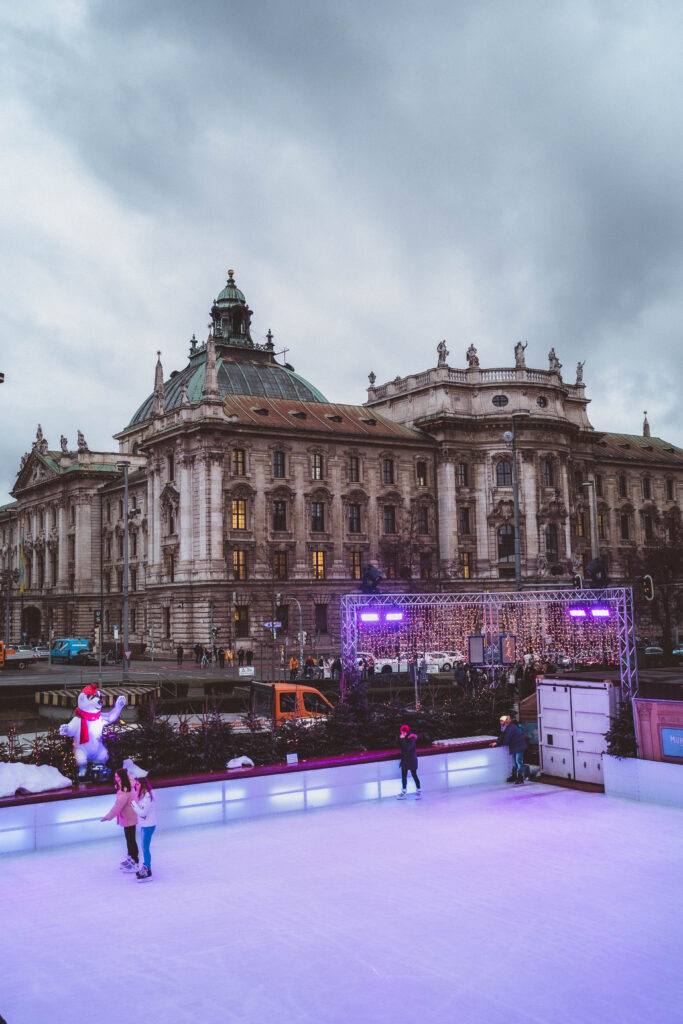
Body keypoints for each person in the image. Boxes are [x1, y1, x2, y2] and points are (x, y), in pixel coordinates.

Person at [100, 766, 139, 871]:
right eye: (115, 776)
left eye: (117, 777)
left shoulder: (124, 790)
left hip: (129, 816)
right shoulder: (126, 784)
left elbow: (118, 805)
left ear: (122, 777)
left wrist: (108, 817)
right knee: (129, 838)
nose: (116, 778)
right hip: (129, 815)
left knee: (130, 839)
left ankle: (135, 861)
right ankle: (131, 858)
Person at [130, 768, 156, 883]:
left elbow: (142, 812)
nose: (136, 786)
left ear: (142, 784)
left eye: (137, 784)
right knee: (144, 847)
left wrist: (133, 804)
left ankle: (148, 870)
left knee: (145, 848)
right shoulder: (143, 794)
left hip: (148, 825)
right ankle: (146, 866)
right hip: (146, 824)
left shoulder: (147, 796)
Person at [491, 714, 528, 784]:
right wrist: (496, 742)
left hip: (519, 746)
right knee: (514, 763)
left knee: (519, 762)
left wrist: (501, 743)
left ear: (506, 721)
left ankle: (520, 777)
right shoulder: (506, 728)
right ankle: (514, 776)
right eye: (500, 721)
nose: (501, 723)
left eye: (502, 721)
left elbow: (506, 739)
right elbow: (502, 736)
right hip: (514, 747)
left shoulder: (511, 728)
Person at [397, 724, 421, 799]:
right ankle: (404, 792)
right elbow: (400, 747)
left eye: (404, 732)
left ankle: (419, 791)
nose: (402, 733)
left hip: (411, 759)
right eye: (401, 732)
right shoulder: (403, 737)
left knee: (414, 774)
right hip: (405, 760)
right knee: (404, 776)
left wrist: (403, 739)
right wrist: (401, 739)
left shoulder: (412, 738)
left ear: (407, 731)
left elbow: (408, 748)